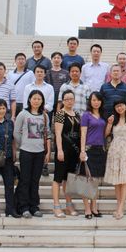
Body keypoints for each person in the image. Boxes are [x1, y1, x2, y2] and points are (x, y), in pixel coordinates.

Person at [14, 89, 50, 218]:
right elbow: (16, 132)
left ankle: (34, 206)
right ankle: (23, 207)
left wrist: (47, 151)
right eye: (34, 98)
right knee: (25, 180)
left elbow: (47, 133)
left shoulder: (45, 116)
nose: (36, 101)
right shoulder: (23, 114)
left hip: (39, 152)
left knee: (35, 180)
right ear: (29, 100)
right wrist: (23, 144)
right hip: (26, 152)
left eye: (39, 99)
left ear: (42, 101)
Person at [104, 100, 126, 220]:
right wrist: (109, 123)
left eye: (121, 105)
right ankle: (118, 205)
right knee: (116, 181)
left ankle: (121, 208)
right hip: (114, 151)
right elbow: (106, 134)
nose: (120, 108)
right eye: (117, 106)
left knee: (124, 180)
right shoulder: (114, 120)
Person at [52, 90, 80, 218]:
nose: (69, 101)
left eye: (71, 99)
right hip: (63, 149)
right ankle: (56, 206)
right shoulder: (60, 114)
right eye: (67, 99)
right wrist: (59, 150)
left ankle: (69, 205)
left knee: (68, 179)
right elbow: (58, 134)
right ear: (63, 101)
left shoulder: (77, 114)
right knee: (58, 178)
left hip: (74, 151)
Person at [79, 92, 106, 219]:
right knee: (86, 180)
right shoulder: (86, 115)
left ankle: (94, 207)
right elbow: (83, 134)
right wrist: (82, 151)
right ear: (90, 101)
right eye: (94, 100)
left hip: (100, 150)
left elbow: (105, 133)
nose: (96, 102)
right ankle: (87, 209)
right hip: (89, 149)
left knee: (95, 181)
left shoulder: (102, 115)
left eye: (98, 100)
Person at [7, 53, 35, 118]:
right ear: (15, 61)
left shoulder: (30, 73)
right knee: (12, 120)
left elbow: (33, 86)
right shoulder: (10, 74)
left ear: (25, 61)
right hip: (13, 101)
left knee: (24, 121)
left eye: (22, 59)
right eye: (19, 59)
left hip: (25, 102)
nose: (21, 61)